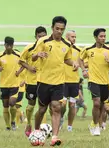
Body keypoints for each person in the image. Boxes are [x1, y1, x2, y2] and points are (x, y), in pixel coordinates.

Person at [31, 16, 76, 146]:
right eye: (57, 28)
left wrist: (73, 63)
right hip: (43, 81)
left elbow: (66, 59)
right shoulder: (43, 41)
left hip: (59, 81)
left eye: (62, 29)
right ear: (52, 28)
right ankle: (37, 131)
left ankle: (55, 137)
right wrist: (37, 55)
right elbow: (33, 57)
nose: (59, 31)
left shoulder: (67, 44)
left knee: (56, 107)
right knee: (42, 110)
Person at [78, 28, 109, 136]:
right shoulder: (88, 49)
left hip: (105, 82)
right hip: (93, 80)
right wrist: (83, 70)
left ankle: (93, 122)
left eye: (104, 36)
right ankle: (96, 126)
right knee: (96, 103)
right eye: (101, 36)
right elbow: (80, 59)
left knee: (101, 105)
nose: (103, 38)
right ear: (96, 37)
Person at [19, 26, 47, 136]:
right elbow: (21, 61)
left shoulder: (49, 48)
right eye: (39, 36)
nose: (41, 38)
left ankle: (41, 126)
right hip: (31, 81)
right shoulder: (29, 48)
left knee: (43, 105)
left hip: (44, 81)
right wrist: (29, 67)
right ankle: (29, 124)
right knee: (31, 104)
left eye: (44, 36)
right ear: (35, 36)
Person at [0, 36, 21, 131]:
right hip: (4, 85)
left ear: (13, 45)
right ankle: (8, 126)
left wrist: (19, 72)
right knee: (5, 105)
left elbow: (24, 64)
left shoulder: (18, 55)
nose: (9, 47)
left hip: (15, 84)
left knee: (12, 103)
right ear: (4, 45)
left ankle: (13, 121)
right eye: (7, 45)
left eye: (10, 45)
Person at [61, 30, 81, 132]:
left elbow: (83, 63)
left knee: (72, 104)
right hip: (62, 80)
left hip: (74, 81)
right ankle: (60, 119)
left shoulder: (78, 50)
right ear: (67, 37)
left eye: (75, 37)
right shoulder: (62, 48)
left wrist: (80, 66)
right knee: (63, 104)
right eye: (72, 36)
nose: (74, 38)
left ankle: (69, 126)